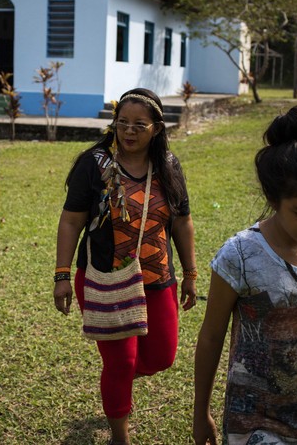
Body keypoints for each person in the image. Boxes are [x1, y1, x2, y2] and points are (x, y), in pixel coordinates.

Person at [193, 105, 297, 445]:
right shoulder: (240, 256)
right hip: (257, 426)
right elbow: (211, 337)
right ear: (273, 198)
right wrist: (201, 412)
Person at [54, 88, 198, 445]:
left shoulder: (169, 166)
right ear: (114, 124)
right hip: (104, 278)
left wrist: (191, 273)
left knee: (161, 357)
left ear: (157, 129)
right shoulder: (94, 163)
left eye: (139, 125)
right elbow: (71, 221)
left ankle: (115, 382)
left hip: (156, 279)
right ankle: (120, 435)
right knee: (120, 363)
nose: (129, 132)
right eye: (123, 124)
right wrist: (62, 276)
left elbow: (182, 222)